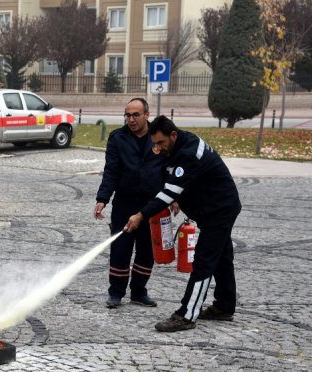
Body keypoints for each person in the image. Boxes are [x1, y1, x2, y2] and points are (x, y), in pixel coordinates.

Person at [123, 115, 241, 332]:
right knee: (222, 258)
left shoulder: (189, 153)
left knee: (204, 261)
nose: (157, 148)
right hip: (211, 209)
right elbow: (174, 181)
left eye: (160, 143)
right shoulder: (177, 147)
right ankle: (225, 306)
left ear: (173, 135)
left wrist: (140, 215)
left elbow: (170, 190)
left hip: (219, 210)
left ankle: (186, 315)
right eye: (154, 143)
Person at [94, 98, 165, 308]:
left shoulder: (158, 137)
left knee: (147, 251)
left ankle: (139, 292)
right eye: (127, 115)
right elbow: (111, 171)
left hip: (152, 204)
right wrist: (102, 199)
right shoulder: (118, 138)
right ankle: (115, 292)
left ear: (146, 115)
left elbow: (169, 169)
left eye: (135, 115)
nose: (131, 120)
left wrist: (174, 198)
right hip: (124, 203)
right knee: (120, 249)